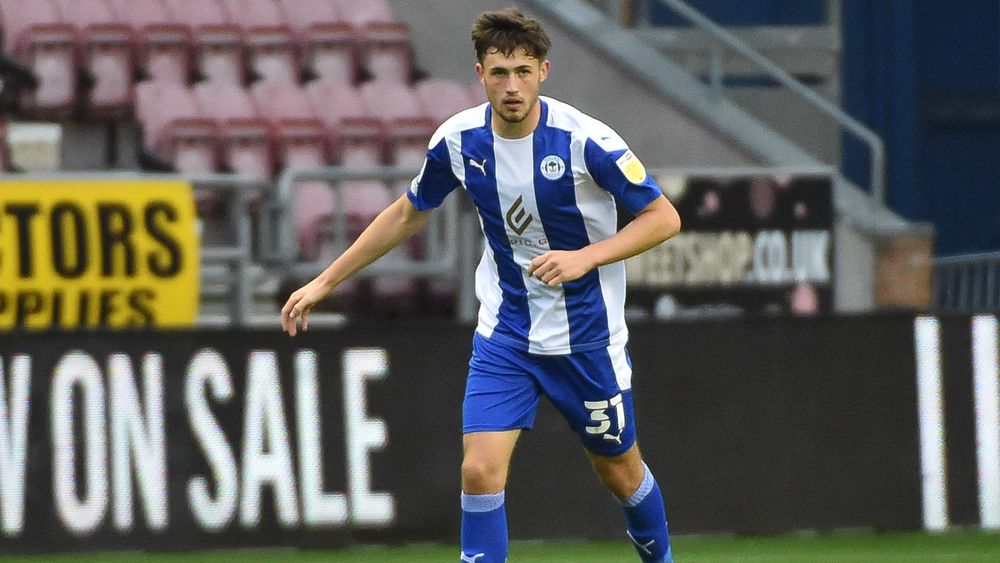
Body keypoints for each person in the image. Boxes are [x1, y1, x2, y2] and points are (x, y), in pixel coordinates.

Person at [281, 9, 681, 562]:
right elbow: (406, 212)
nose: (511, 85)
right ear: (480, 74)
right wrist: (326, 280)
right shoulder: (459, 140)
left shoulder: (586, 142)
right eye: (499, 73)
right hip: (506, 334)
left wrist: (586, 258)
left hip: (585, 336)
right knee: (478, 469)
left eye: (522, 71)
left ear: (544, 70)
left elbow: (663, 218)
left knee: (619, 471)